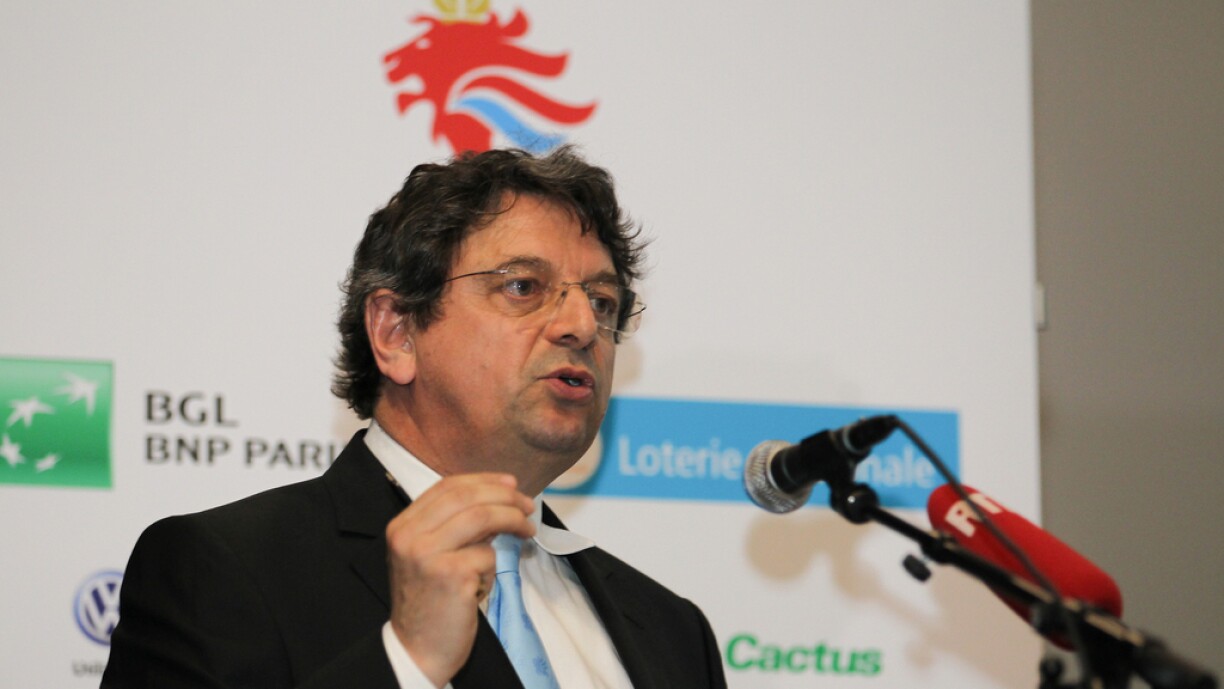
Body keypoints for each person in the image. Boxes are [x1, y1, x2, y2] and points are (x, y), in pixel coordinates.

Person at [101, 147, 728, 689]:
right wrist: (408, 661)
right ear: (396, 332)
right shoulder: (222, 571)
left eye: (603, 300)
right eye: (523, 287)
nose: (582, 325)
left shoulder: (673, 633)